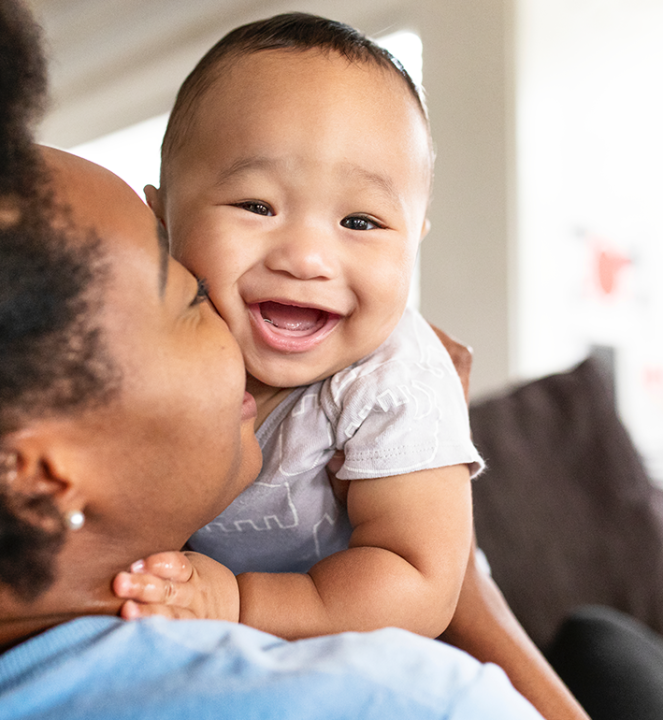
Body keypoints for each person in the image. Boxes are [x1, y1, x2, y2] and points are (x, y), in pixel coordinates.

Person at [0, 2, 546, 719]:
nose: (239, 312)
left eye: (359, 222)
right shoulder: (405, 702)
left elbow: (413, 570)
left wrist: (448, 568)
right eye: (186, 293)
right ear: (38, 476)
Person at [115, 10, 481, 641]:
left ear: (412, 244)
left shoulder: (394, 381)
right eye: (256, 205)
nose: (306, 259)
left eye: (361, 222)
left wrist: (239, 603)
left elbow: (418, 585)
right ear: (161, 222)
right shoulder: (137, 342)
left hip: (356, 639)